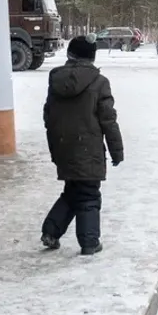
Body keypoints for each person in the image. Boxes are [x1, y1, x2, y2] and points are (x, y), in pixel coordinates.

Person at [41, 34, 124, 255]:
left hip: (63, 146)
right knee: (88, 193)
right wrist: (117, 151)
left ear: (70, 54)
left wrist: (55, 148)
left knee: (73, 190)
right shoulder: (99, 83)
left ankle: (51, 231)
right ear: (92, 57)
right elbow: (108, 120)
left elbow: (48, 115)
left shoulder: (56, 79)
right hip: (88, 149)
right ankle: (89, 242)